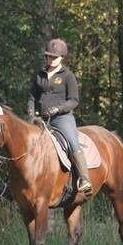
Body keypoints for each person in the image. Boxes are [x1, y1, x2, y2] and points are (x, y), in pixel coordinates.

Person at [27, 38, 92, 192]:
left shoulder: (68, 76)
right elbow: (31, 97)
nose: (50, 59)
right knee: (24, 142)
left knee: (72, 141)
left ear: (62, 57)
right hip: (41, 119)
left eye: (54, 57)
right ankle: (9, 184)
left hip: (62, 118)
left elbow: (74, 100)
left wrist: (58, 109)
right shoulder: (40, 75)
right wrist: (31, 116)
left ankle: (84, 178)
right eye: (48, 56)